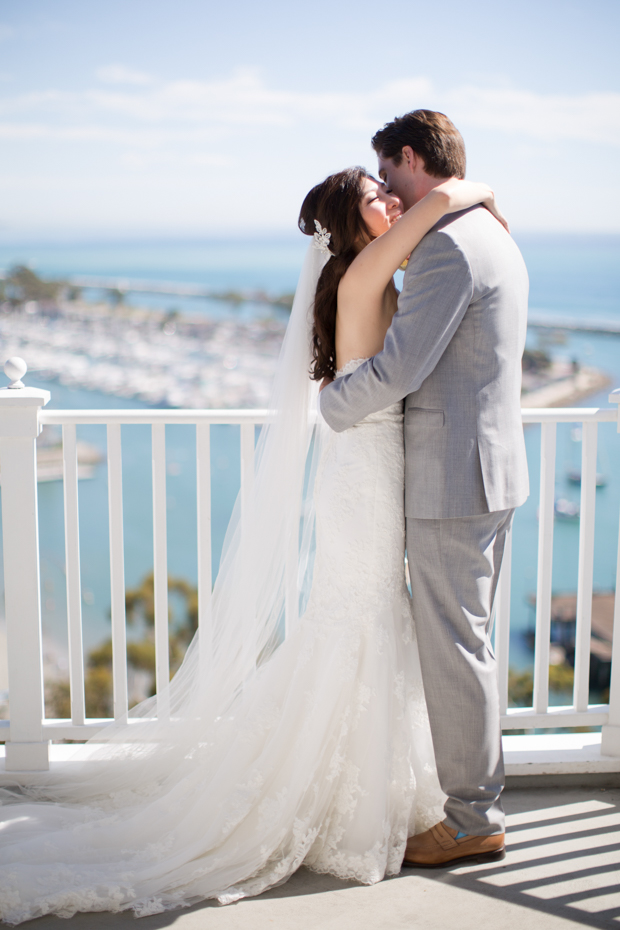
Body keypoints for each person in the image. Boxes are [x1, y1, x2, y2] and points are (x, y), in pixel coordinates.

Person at [0, 163, 503, 925]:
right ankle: (344, 798)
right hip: (365, 473)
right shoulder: (367, 266)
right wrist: (477, 191)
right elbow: (436, 202)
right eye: (375, 197)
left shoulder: (358, 269)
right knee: (363, 619)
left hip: (368, 468)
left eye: (387, 194)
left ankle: (369, 785)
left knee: (367, 619)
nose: (390, 203)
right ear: (351, 218)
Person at [320, 110, 530, 867]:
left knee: (454, 650)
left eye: (391, 175)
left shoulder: (445, 247)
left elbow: (402, 368)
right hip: (493, 470)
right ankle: (477, 804)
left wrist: (335, 404)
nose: (394, 197)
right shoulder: (493, 233)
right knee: (466, 644)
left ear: (409, 158)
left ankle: (473, 818)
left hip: (452, 479)